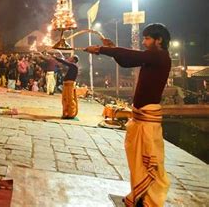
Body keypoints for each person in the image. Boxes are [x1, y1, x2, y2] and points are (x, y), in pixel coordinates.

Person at [84, 23, 172, 206]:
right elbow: (126, 61)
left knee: (149, 162)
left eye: (147, 38)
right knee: (138, 160)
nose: (144, 41)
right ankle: (141, 195)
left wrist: (101, 49)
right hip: (140, 117)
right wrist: (111, 49)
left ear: (159, 40)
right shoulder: (152, 57)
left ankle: (149, 200)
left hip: (148, 118)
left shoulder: (160, 56)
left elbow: (132, 56)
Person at [53, 51, 79, 119]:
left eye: (71, 58)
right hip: (66, 84)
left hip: (70, 85)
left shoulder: (73, 65)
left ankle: (71, 114)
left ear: (74, 60)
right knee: (65, 99)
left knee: (70, 99)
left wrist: (56, 58)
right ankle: (66, 113)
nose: (69, 58)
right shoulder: (72, 66)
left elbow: (64, 62)